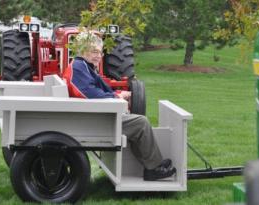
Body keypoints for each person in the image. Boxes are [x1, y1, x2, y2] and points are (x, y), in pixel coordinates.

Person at [64, 31, 176, 181]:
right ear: (83, 51)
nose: (98, 55)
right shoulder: (78, 66)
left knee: (136, 123)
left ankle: (153, 164)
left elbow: (96, 91)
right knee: (141, 123)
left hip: (94, 116)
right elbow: (86, 93)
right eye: (94, 51)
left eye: (100, 52)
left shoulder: (85, 66)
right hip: (93, 122)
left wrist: (117, 95)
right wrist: (116, 96)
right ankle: (153, 168)